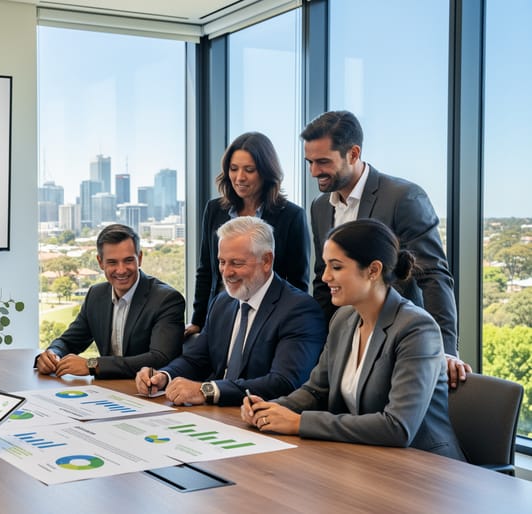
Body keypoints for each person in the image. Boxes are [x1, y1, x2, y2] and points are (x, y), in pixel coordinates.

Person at [242, 219, 465, 460]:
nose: (325, 276)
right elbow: (316, 391)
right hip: (364, 459)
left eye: (336, 267)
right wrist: (269, 409)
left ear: (373, 270)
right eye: (326, 265)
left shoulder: (416, 329)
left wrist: (299, 423)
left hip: (425, 469)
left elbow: (398, 427)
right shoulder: (343, 319)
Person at [301, 110, 470, 388]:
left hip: (399, 344)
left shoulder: (403, 197)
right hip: (348, 344)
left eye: (323, 162)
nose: (314, 172)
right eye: (309, 162)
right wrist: (323, 346)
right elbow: (323, 281)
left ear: (353, 154)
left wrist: (445, 350)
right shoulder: (320, 207)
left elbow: (433, 277)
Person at [136, 217, 326, 406]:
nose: (226, 272)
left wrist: (208, 391)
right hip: (217, 415)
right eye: (222, 262)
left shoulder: (299, 310)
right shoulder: (222, 302)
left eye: (236, 263)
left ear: (266, 260)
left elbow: (284, 382)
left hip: (262, 418)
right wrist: (163, 376)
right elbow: (196, 359)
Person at [187, 132, 310, 337]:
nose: (239, 177)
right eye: (234, 169)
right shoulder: (214, 210)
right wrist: (198, 321)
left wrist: (290, 327)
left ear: (265, 172)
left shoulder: (291, 216)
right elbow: (206, 271)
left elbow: (298, 282)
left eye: (249, 170)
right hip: (219, 316)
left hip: (267, 321)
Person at [36, 224, 185, 379]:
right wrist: (53, 354)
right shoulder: (96, 295)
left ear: (139, 258)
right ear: (100, 262)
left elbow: (160, 358)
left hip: (149, 393)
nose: (121, 270)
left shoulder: (166, 300)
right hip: (107, 391)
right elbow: (69, 342)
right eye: (112, 262)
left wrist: (93, 365)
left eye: (128, 260)